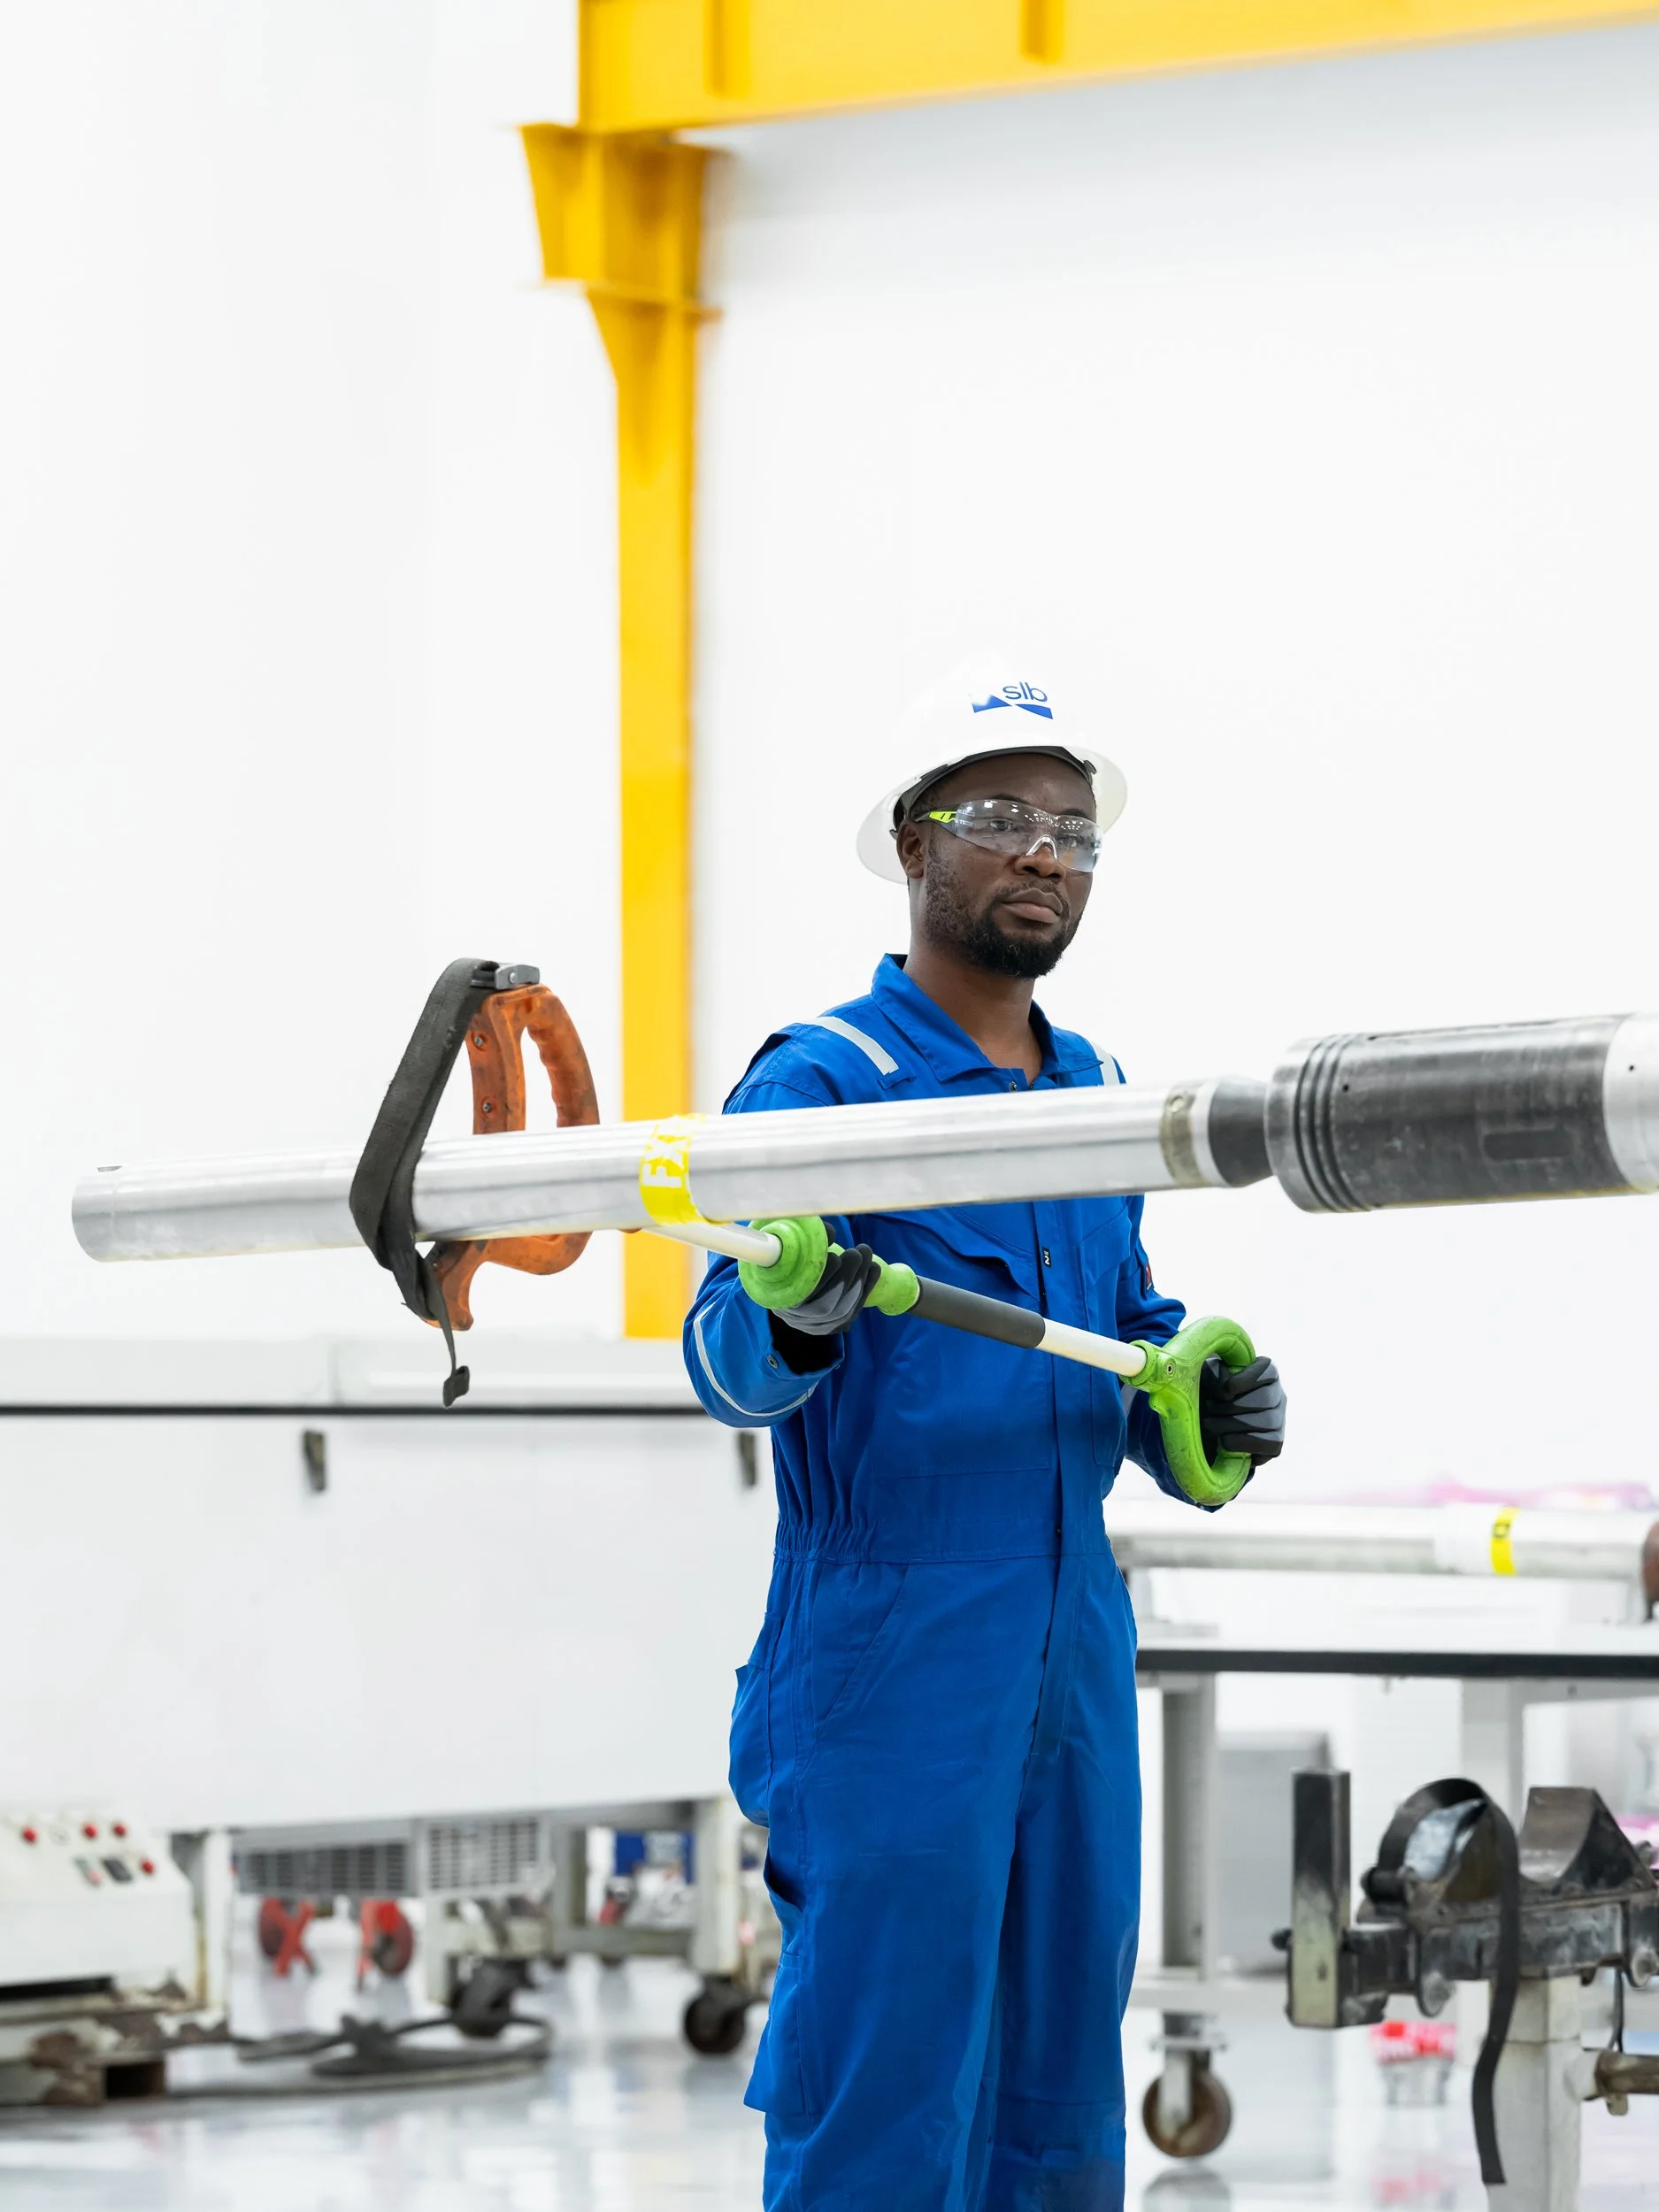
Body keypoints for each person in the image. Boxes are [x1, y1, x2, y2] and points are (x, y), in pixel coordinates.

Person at [683, 663, 1285, 2212]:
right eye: (1005, 820)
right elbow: (725, 1358)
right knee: (883, 2087)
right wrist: (795, 1310)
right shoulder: (823, 1083)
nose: (1044, 857)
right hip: (891, 1637)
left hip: (1071, 1639)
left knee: (1057, 2086)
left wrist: (1187, 1390)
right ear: (911, 842)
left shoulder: (1089, 1091)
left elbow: (1117, 1324)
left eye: (1075, 834)